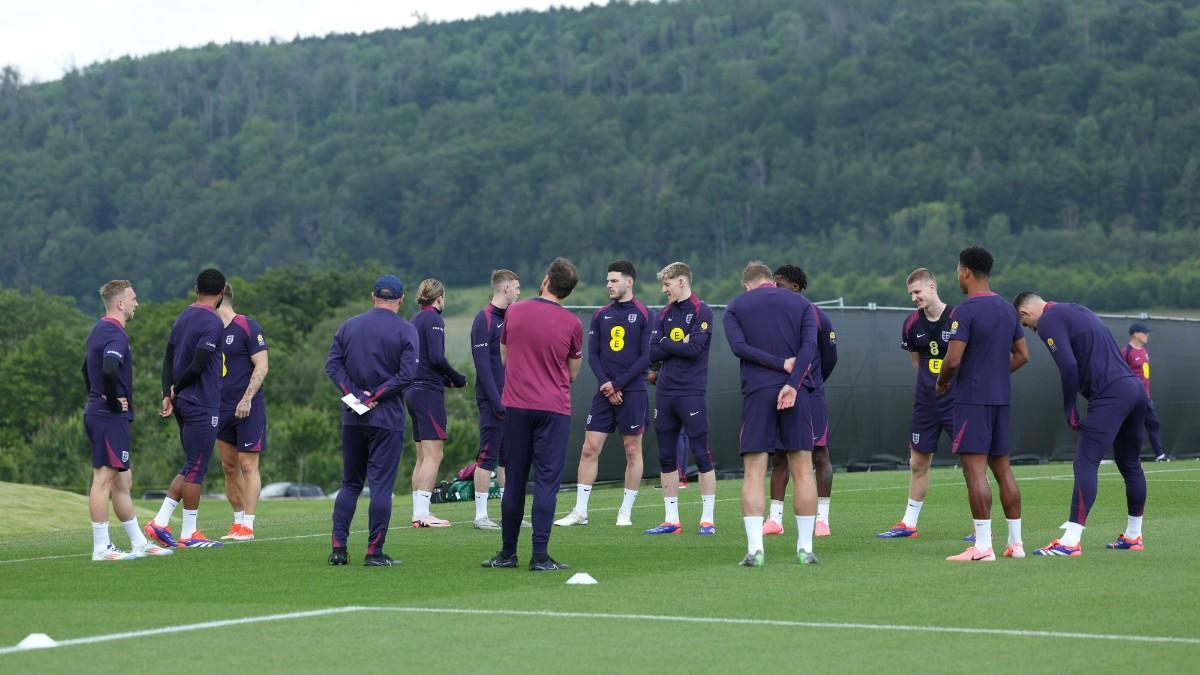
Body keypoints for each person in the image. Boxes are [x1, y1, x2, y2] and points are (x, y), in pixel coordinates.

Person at [1014, 294, 1149, 555]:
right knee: (1130, 464)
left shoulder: (1048, 320)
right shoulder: (1077, 309)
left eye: (1028, 326)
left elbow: (1068, 364)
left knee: (1085, 462)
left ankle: (1070, 541)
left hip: (1110, 394)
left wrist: (1070, 407)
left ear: (1025, 315)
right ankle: (1134, 536)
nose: (1034, 330)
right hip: (1134, 390)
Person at [481, 258, 582, 571]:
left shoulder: (515, 310)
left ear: (546, 280)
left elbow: (505, 355)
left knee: (514, 482)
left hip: (516, 406)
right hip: (553, 409)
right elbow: (572, 374)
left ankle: (508, 553)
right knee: (546, 483)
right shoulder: (573, 324)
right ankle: (540, 555)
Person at [936, 248, 1028, 562]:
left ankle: (983, 546)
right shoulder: (1006, 309)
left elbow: (953, 359)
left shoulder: (964, 310)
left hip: (972, 400)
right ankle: (1016, 545)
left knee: (974, 472)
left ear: (965, 272)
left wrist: (942, 381)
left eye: (957, 270)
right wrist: (996, 374)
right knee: (1003, 471)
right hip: (1000, 399)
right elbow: (1023, 355)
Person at [725, 262, 820, 566]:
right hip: (797, 392)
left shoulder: (736, 307)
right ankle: (805, 549)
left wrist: (779, 365)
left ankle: (755, 551)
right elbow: (809, 348)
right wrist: (792, 383)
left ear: (746, 284)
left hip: (757, 392)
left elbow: (739, 347)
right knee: (803, 470)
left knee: (754, 471)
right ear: (772, 281)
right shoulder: (803, 304)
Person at [326, 275, 419, 567]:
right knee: (380, 487)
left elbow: (333, 365)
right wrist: (375, 396)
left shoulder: (349, 325)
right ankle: (374, 552)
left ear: (373, 296)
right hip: (387, 418)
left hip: (353, 416)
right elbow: (407, 376)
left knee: (350, 483)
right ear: (401, 300)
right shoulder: (406, 330)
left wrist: (356, 397)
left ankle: (339, 549)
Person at [556, 260, 652, 528]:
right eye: (607, 281)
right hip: (605, 391)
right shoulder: (600, 315)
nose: (608, 285)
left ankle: (625, 511)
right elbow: (594, 355)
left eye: (614, 280)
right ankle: (580, 511)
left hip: (631, 391)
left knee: (632, 449)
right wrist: (606, 384)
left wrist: (619, 383)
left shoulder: (644, 314)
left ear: (629, 282)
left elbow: (646, 357)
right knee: (589, 449)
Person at [83, 280, 173, 561]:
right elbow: (109, 369)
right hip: (108, 415)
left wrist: (96, 396)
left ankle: (138, 543)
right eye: (133, 298)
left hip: (104, 413)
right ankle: (101, 548)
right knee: (104, 479)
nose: (137, 303)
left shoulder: (98, 329)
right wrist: (108, 400)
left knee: (123, 481)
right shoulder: (116, 334)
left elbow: (85, 368)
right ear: (120, 303)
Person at [145, 268, 227, 549]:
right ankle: (188, 534)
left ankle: (159, 522)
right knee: (198, 467)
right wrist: (177, 388)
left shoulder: (183, 316)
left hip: (182, 401)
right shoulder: (213, 323)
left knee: (192, 463)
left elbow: (168, 358)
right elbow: (199, 364)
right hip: (200, 401)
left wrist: (167, 392)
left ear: (196, 289)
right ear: (222, 292)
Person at [877, 268, 960, 539]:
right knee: (917, 463)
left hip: (958, 403)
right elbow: (917, 364)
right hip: (926, 404)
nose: (914, 297)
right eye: (911, 294)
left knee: (973, 463)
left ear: (933, 287)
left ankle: (980, 527)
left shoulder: (958, 318)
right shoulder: (911, 324)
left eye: (918, 292)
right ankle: (909, 524)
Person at [764, 265, 837, 537]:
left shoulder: (818, 316)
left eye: (778, 283)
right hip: (779, 393)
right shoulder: (772, 316)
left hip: (810, 395)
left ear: (794, 287)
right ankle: (775, 519)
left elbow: (830, 358)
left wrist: (812, 383)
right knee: (780, 456)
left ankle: (823, 519)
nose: (774, 287)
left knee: (819, 454)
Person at [646, 262, 718, 536]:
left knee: (701, 454)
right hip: (665, 393)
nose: (664, 290)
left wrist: (668, 345)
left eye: (667, 284)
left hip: (691, 392)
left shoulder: (703, 311)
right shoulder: (663, 314)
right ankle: (671, 520)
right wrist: (677, 345)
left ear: (681, 282)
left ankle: (707, 520)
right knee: (666, 456)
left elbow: (695, 350)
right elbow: (653, 352)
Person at [407, 279, 469, 528]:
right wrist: (457, 378)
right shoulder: (433, 319)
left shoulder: (413, 320)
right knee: (435, 454)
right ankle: (422, 514)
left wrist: (445, 381)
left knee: (422, 456)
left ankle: (418, 512)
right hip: (427, 393)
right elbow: (435, 357)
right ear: (439, 298)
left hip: (412, 390)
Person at [215, 284, 269, 541]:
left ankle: (248, 524)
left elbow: (262, 365)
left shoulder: (247, 326)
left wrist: (246, 398)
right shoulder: (209, 331)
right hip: (220, 408)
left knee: (249, 465)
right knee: (228, 467)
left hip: (248, 407)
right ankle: (236, 522)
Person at [470, 269, 522, 529]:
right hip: (493, 401)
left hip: (512, 399)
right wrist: (496, 400)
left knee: (509, 458)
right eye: (516, 288)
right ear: (505, 289)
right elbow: (482, 366)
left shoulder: (512, 317)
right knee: (488, 456)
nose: (519, 293)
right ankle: (480, 516)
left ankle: (509, 514)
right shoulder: (484, 320)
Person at [1122, 323, 1167, 462]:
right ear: (1135, 334)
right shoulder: (1126, 352)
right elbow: (1121, 374)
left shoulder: (1143, 351)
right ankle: (1129, 456)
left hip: (1146, 397)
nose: (1147, 335)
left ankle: (1160, 455)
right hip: (1132, 398)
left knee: (1153, 423)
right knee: (1132, 428)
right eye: (1144, 332)